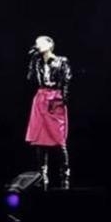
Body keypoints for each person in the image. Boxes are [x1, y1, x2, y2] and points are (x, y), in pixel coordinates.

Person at [25, 35, 71, 189]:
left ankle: (65, 175)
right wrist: (32, 61)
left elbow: (67, 81)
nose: (37, 45)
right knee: (40, 139)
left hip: (55, 98)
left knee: (59, 140)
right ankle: (42, 176)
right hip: (41, 98)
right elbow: (30, 79)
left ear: (50, 44)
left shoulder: (62, 61)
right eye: (36, 43)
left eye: (40, 43)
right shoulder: (37, 61)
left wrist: (62, 100)